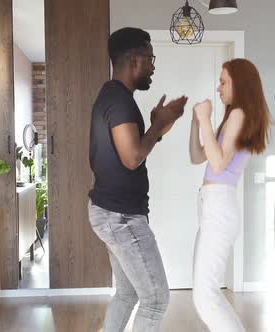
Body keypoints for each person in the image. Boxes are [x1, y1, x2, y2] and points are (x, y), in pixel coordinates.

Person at [87, 27, 188, 332]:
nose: (153, 65)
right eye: (150, 58)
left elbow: (134, 150)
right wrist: (159, 123)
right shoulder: (119, 101)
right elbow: (132, 157)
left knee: (128, 293)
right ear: (134, 60)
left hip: (111, 212)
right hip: (121, 217)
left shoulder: (114, 96)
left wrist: (160, 125)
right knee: (156, 299)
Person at [189, 58, 271, 332]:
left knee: (205, 295)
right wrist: (196, 123)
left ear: (241, 83)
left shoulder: (238, 115)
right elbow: (197, 156)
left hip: (219, 208)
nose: (218, 87)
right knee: (206, 292)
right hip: (213, 207)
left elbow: (219, 163)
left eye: (223, 81)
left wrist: (204, 119)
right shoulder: (234, 117)